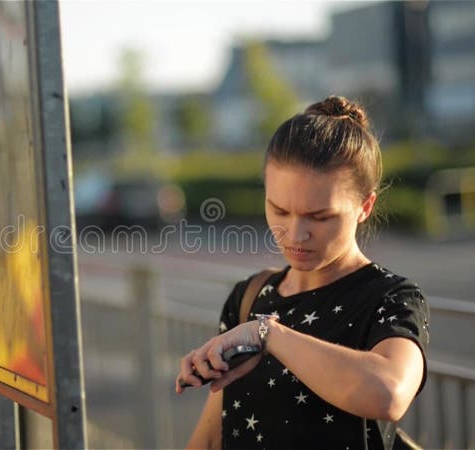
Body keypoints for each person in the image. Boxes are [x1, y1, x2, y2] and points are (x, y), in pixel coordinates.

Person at [175, 96, 429, 449]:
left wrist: (269, 335)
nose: (295, 235)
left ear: (364, 206)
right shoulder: (250, 296)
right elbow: (211, 435)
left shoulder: (389, 298)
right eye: (279, 210)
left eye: (320, 217)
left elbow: (388, 394)